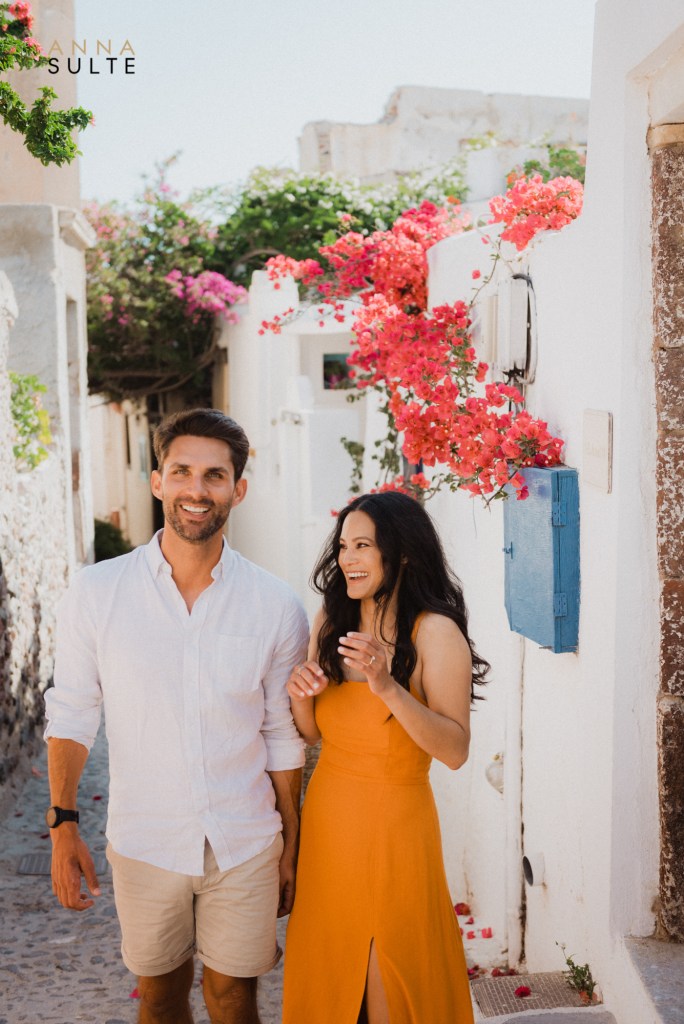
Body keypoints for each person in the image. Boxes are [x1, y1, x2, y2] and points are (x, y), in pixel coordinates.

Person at [44, 408, 308, 1024]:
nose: (197, 489)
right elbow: (73, 713)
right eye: (182, 471)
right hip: (145, 840)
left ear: (237, 490)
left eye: (215, 476)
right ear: (158, 480)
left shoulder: (274, 604)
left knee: (234, 996)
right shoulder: (96, 592)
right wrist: (63, 826)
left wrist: (292, 845)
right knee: (159, 997)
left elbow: (280, 734)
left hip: (245, 840)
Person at [282, 490, 489, 1024]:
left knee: (386, 980)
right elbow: (311, 733)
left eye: (363, 546)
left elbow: (456, 750)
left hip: (396, 828)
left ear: (400, 554)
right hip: (329, 822)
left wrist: (388, 687)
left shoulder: (435, 633)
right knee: (331, 971)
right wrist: (300, 693)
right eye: (343, 545)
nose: (347, 558)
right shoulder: (332, 620)